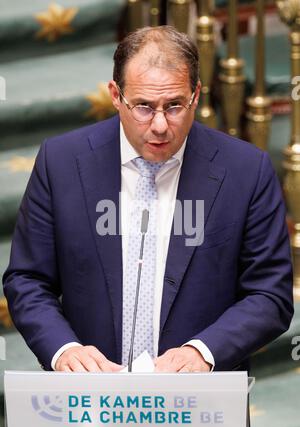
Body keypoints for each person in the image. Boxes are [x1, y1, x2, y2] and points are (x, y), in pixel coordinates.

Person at [2, 26, 293, 374]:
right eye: (143, 106)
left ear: (196, 95)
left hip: (199, 406)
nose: (159, 125)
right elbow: (27, 280)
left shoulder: (247, 170)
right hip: (92, 400)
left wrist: (203, 352)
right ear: (115, 95)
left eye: (174, 106)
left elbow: (270, 295)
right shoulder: (61, 162)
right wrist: (64, 350)